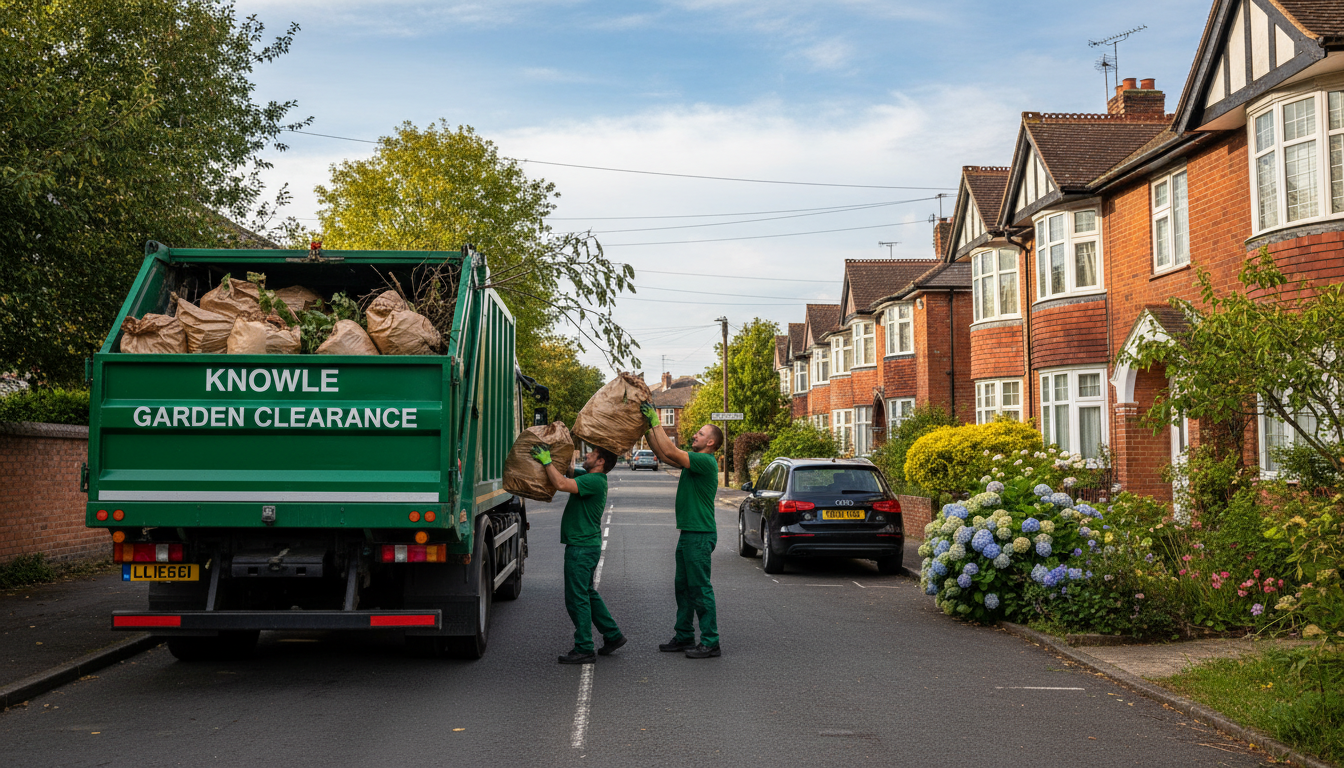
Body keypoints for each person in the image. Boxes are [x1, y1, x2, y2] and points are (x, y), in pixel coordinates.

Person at [640, 403, 723, 659]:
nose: (695, 436)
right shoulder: (693, 461)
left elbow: (670, 450)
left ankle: (711, 642)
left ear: (710, 443)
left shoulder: (705, 461)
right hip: (688, 533)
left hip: (699, 535)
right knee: (683, 588)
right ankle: (685, 635)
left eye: (700, 434)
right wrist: (647, 427)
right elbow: (664, 455)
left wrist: (656, 421)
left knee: (699, 589)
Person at [532, 442, 625, 664]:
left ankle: (584, 647)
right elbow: (570, 471)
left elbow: (561, 482)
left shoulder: (593, 481)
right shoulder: (591, 476)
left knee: (577, 598)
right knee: (588, 593)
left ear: (601, 461)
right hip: (587, 545)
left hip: (581, 548)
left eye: (592, 453)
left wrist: (546, 461)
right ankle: (613, 635)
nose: (588, 454)